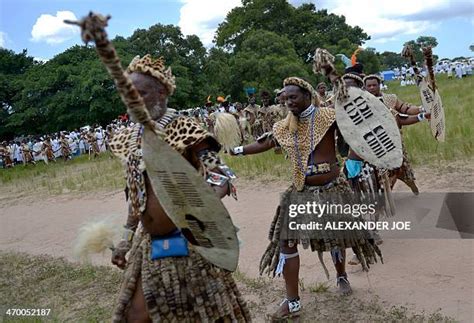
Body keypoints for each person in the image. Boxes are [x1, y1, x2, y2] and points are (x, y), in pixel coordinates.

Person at [96, 52, 251, 321]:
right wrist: (125, 240)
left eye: (140, 93)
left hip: (190, 241)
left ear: (161, 93)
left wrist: (202, 215)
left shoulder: (186, 129)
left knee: (204, 312)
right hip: (149, 244)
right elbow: (136, 196)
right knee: (135, 314)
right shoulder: (128, 139)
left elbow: (221, 175)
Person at [231, 77, 380, 321]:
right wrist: (236, 150)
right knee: (286, 243)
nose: (288, 102)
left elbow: (355, 134)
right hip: (301, 192)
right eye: (285, 98)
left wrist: (354, 158)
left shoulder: (328, 116)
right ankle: (293, 302)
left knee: (336, 238)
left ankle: (341, 276)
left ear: (308, 96)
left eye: (293, 97)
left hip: (332, 189)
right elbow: (267, 143)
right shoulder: (284, 126)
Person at [364, 74, 430, 194]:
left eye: (374, 85)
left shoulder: (390, 98)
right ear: (365, 87)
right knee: (384, 173)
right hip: (375, 146)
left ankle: (412, 187)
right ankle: (386, 196)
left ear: (380, 85)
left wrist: (422, 109)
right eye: (369, 86)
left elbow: (406, 109)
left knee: (403, 170)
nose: (372, 88)